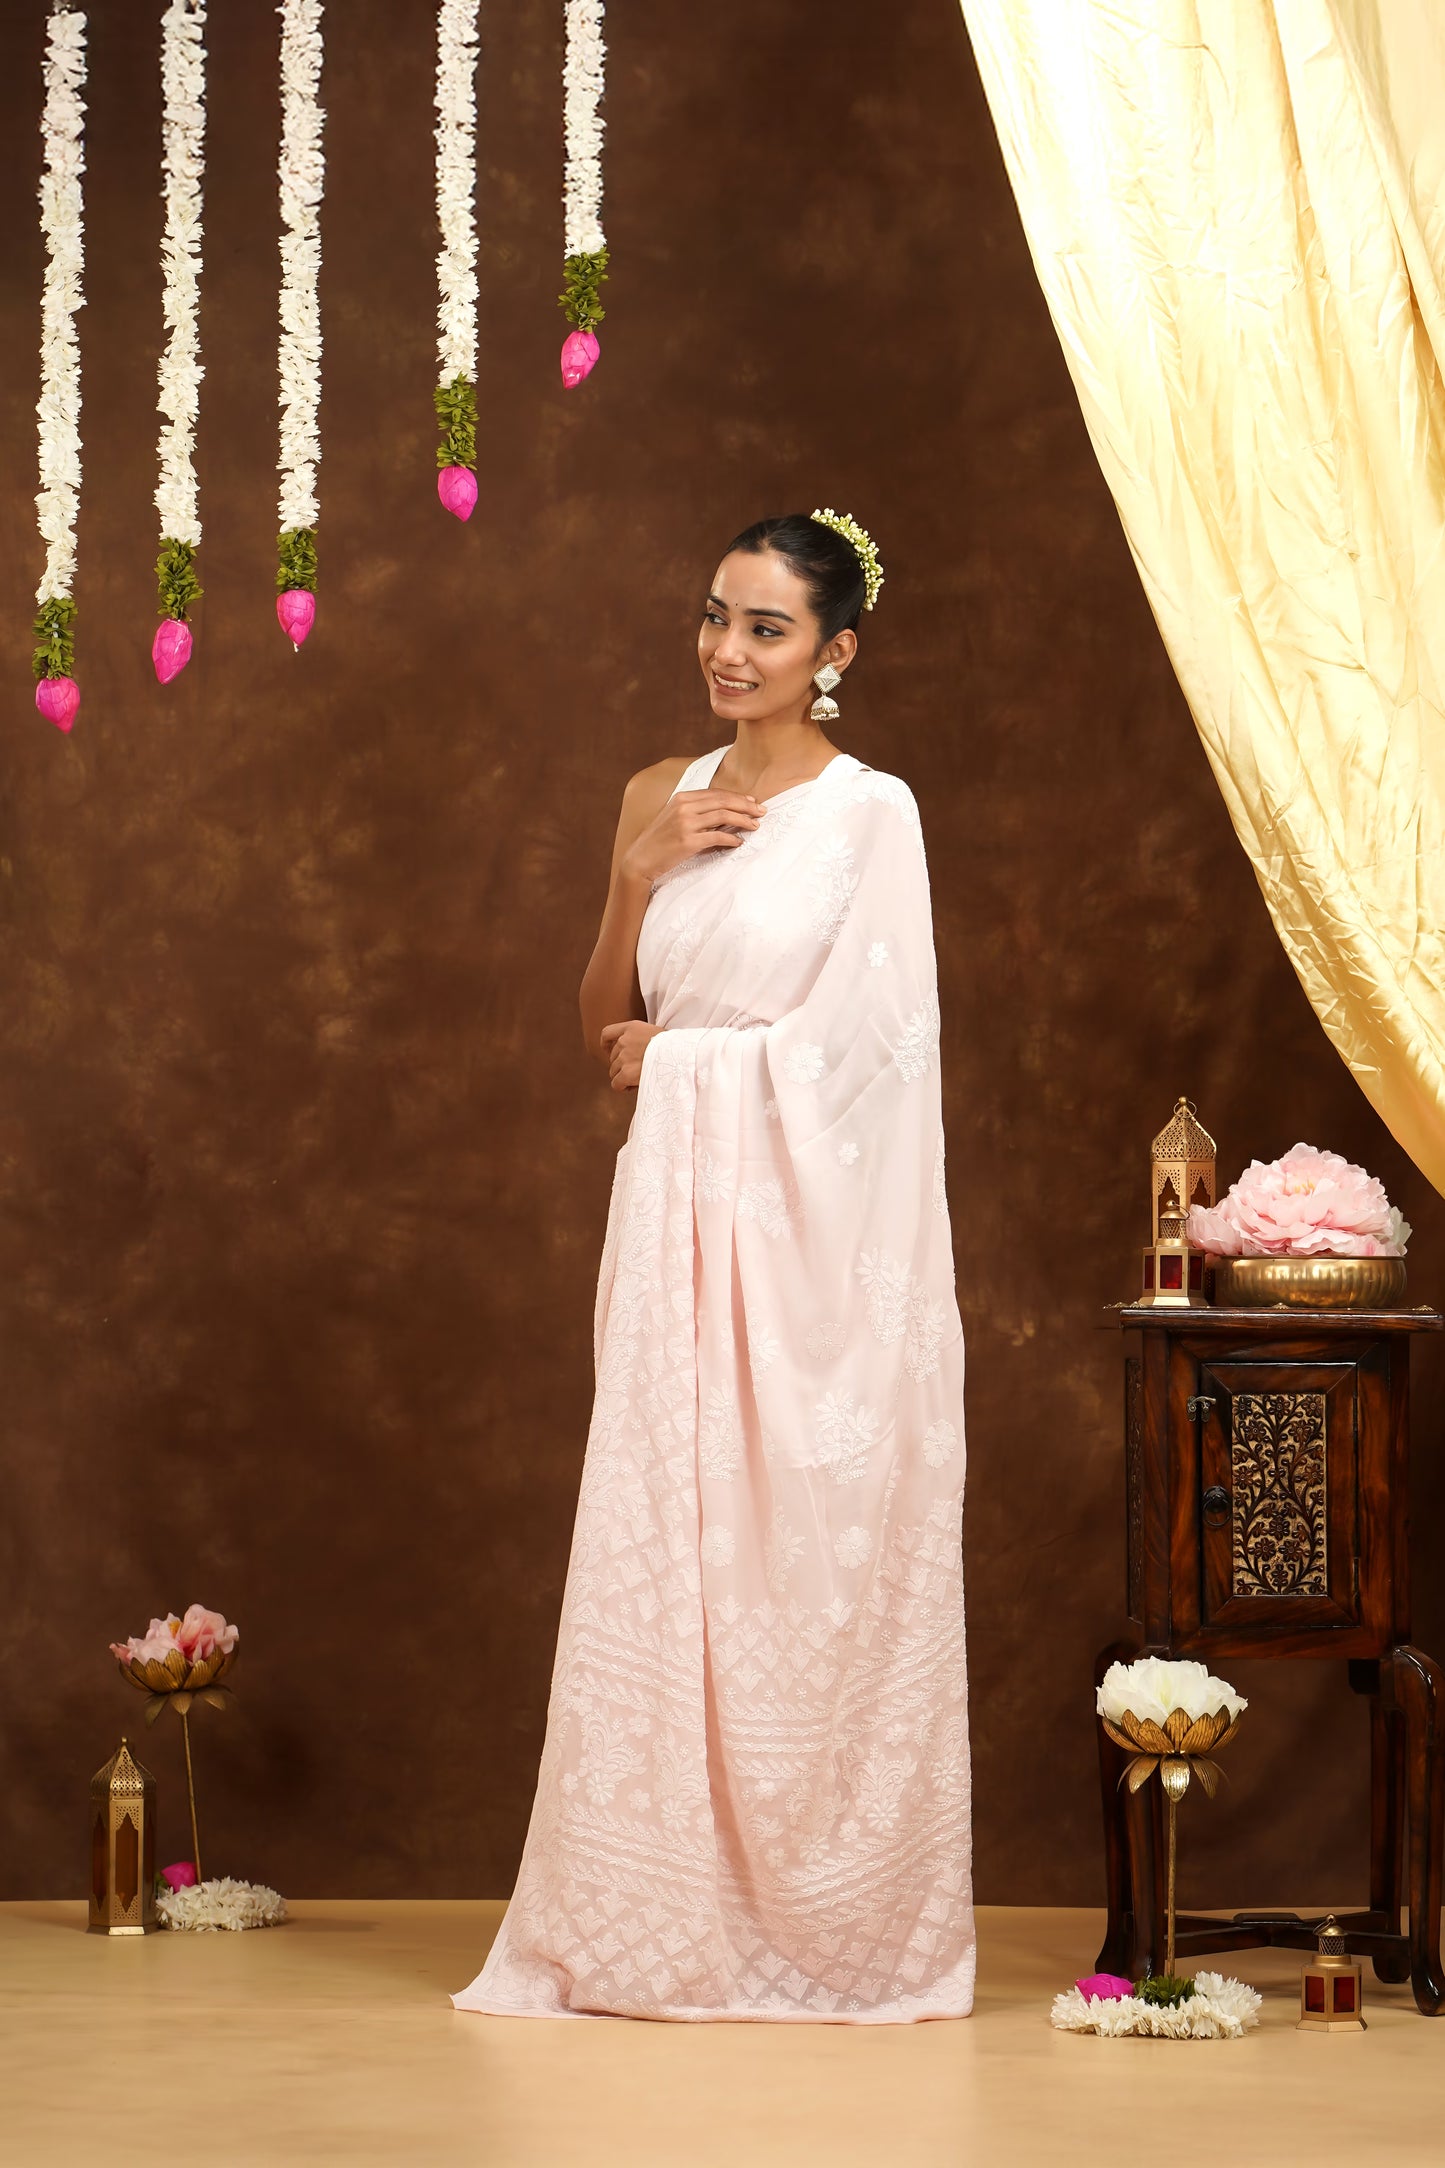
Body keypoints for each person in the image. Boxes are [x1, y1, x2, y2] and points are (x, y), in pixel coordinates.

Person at [452, 511, 974, 2021]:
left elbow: (874, 1056)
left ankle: (830, 1920)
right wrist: (635, 873)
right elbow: (595, 1033)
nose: (727, 652)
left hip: (809, 1255)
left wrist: (682, 1058)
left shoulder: (872, 811)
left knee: (795, 1544)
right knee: (659, 1530)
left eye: (767, 630)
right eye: (715, 617)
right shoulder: (654, 792)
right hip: (672, 1221)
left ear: (835, 656)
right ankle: (640, 1914)